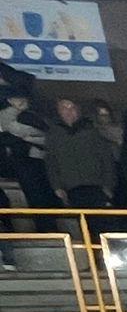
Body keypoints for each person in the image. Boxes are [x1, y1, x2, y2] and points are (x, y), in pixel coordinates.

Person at [44, 98, 117, 226]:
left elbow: (107, 159)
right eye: (64, 108)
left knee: (104, 223)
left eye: (71, 107)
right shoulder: (53, 134)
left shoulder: (92, 130)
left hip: (96, 187)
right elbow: (51, 162)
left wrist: (108, 185)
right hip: (72, 189)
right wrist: (56, 186)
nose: (69, 111)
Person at [0, 88, 59, 219]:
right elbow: (14, 129)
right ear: (9, 100)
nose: (21, 101)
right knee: (39, 199)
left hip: (39, 160)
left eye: (23, 97)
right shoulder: (8, 116)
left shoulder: (33, 115)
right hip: (24, 161)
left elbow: (49, 137)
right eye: (16, 98)